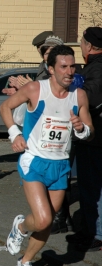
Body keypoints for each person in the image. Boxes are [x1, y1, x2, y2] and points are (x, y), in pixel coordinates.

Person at [0, 45, 94, 266]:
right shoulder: (35, 89)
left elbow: (89, 132)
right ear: (51, 69)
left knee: (47, 224)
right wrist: (14, 135)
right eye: (63, 67)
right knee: (43, 218)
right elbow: (5, 107)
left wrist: (81, 129)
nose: (69, 72)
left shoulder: (79, 95)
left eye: (73, 66)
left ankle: (25, 261)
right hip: (34, 161)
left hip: (60, 165)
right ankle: (21, 226)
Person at [66, 27, 102, 252]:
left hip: (95, 138)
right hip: (93, 137)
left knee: (93, 187)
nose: (80, 45)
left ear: (88, 45)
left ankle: (97, 234)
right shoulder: (93, 67)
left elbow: (89, 97)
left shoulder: (97, 69)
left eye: (81, 41)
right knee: (90, 186)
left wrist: (68, 91)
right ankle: (90, 230)